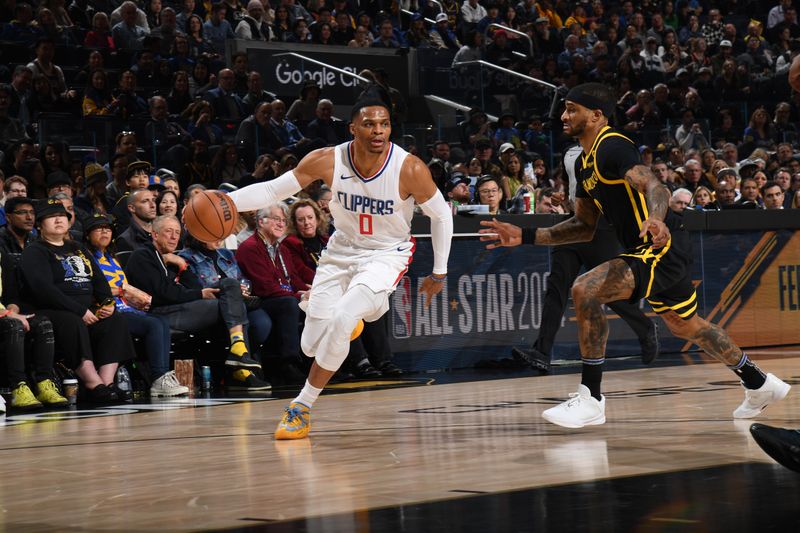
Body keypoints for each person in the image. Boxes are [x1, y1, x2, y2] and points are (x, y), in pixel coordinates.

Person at [479, 82, 789, 429]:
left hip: (659, 245)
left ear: (596, 115)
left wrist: (656, 219)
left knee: (586, 289)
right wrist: (525, 235)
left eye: (571, 109)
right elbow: (583, 225)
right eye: (564, 109)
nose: (563, 116)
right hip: (651, 248)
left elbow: (656, 186)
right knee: (685, 324)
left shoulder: (612, 146)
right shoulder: (584, 164)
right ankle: (759, 382)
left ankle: (592, 397)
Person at [228, 84, 453, 439]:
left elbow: (441, 216)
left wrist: (440, 270)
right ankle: (359, 314)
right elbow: (273, 190)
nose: (377, 131)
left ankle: (300, 407)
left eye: (384, 124)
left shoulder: (408, 168)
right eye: (369, 124)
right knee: (311, 344)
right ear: (353, 128)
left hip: (386, 253)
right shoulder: (327, 159)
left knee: (345, 316)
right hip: (340, 251)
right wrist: (227, 202)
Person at [512, 144, 659, 374]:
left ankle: (645, 327)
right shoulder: (570, 152)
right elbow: (575, 185)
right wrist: (567, 198)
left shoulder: (610, 148)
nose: (567, 117)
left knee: (606, 291)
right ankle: (542, 353)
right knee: (556, 286)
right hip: (574, 224)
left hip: (602, 228)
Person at [124, 215, 267, 389]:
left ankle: (239, 349)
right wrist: (199, 293)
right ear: (155, 234)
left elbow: (193, 286)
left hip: (180, 309)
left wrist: (182, 267)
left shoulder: (169, 258)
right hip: (159, 314)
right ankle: (241, 370)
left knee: (230, 286)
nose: (174, 237)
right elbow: (162, 294)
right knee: (228, 306)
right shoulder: (143, 256)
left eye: (177, 232)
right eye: (168, 231)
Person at [20, 199, 136, 403]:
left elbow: (99, 281)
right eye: (51, 217)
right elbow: (43, 289)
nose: (58, 220)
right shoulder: (35, 251)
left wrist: (107, 303)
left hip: (86, 310)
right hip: (51, 310)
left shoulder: (78, 248)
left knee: (115, 320)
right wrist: (79, 311)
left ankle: (106, 382)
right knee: (71, 322)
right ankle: (93, 383)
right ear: (39, 224)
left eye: (62, 216)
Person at [85, 213, 189, 397]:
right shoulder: (86, 259)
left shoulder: (112, 259)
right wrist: (117, 291)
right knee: (154, 324)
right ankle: (158, 378)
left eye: (108, 228)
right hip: (105, 311)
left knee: (161, 321)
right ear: (87, 234)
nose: (104, 232)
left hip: (126, 308)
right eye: (98, 228)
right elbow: (85, 288)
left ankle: (162, 376)